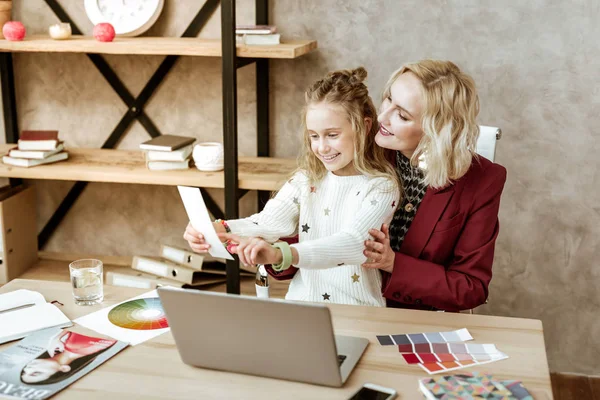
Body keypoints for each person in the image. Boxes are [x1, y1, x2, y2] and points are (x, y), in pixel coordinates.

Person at [184, 67, 399, 307]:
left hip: (358, 311)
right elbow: (269, 222)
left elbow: (354, 243)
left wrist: (283, 254)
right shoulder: (306, 179)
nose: (322, 148)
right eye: (314, 136)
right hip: (302, 305)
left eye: (332, 135)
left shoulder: (381, 186)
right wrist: (218, 229)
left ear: (364, 126)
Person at [362, 59, 507, 312]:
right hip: (343, 305)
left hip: (415, 321)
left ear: (436, 130)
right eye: (388, 99)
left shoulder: (483, 181)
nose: (381, 117)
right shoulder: (358, 147)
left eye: (402, 115)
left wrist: (393, 263)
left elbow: (470, 287)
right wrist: (279, 257)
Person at [20, 330, 117, 384]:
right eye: (35, 373)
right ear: (64, 368)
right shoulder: (78, 349)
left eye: (24, 371)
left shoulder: (61, 347)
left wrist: (56, 337)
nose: (28, 369)